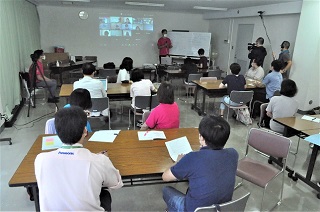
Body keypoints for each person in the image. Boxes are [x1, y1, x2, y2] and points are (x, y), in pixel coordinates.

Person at [35, 107, 123, 211]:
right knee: (104, 191)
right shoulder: (99, 161)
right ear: (85, 131)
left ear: (57, 133)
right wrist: (101, 159)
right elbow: (115, 182)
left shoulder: (41, 159)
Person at [162, 115, 238, 212]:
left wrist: (179, 161)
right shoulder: (233, 154)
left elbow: (165, 177)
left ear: (201, 138)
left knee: (166, 190)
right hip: (222, 209)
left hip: (195, 210)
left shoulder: (192, 158)